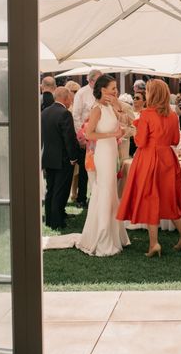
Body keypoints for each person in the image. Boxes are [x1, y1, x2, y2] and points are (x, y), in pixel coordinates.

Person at [117, 79, 181, 257]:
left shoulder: (147, 114)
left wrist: (136, 129)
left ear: (153, 94)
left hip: (148, 158)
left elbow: (140, 142)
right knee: (169, 198)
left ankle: (154, 244)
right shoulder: (172, 115)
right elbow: (174, 140)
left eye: (147, 91)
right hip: (167, 159)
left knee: (150, 198)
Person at [75, 76, 130, 256]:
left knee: (111, 192)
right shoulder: (96, 109)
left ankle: (116, 235)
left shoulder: (109, 107)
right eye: (113, 88)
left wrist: (119, 131)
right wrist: (111, 134)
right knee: (105, 191)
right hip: (103, 153)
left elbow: (125, 119)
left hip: (111, 151)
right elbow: (89, 134)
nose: (115, 91)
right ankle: (103, 238)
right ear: (103, 90)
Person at [41, 87, 81, 229]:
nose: (71, 101)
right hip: (63, 159)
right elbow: (69, 138)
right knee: (61, 190)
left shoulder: (44, 112)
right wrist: (73, 158)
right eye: (70, 98)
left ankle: (50, 218)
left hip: (48, 158)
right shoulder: (65, 113)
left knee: (50, 189)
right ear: (65, 98)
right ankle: (57, 221)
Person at [72, 69, 102, 207]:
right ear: (91, 81)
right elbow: (76, 116)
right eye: (99, 79)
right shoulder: (81, 93)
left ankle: (95, 196)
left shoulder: (102, 92)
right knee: (85, 169)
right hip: (86, 137)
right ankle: (81, 198)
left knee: (99, 167)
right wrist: (82, 138)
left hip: (100, 137)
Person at [129, 89, 146, 156]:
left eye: (137, 98)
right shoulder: (129, 112)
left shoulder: (145, 114)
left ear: (144, 102)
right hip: (128, 141)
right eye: (134, 98)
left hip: (139, 143)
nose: (135, 99)